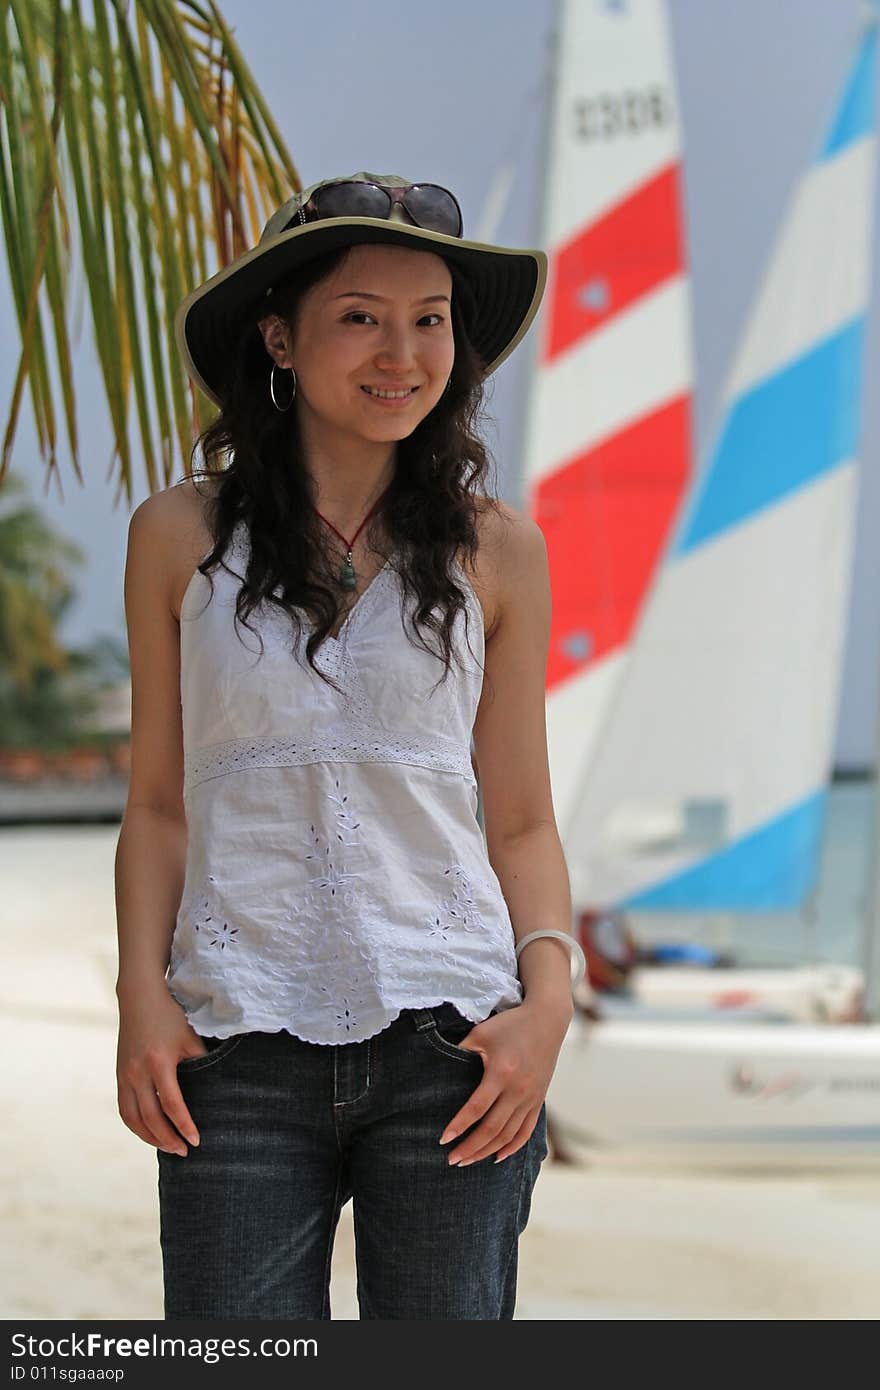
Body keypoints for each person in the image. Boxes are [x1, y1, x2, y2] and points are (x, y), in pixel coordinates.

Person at [114, 171, 584, 1321]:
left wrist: (547, 1003)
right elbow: (160, 802)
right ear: (280, 336)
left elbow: (518, 816)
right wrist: (140, 995)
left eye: (430, 321)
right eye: (361, 316)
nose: (401, 352)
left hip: (455, 1042)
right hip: (234, 1037)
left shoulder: (497, 552)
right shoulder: (179, 536)